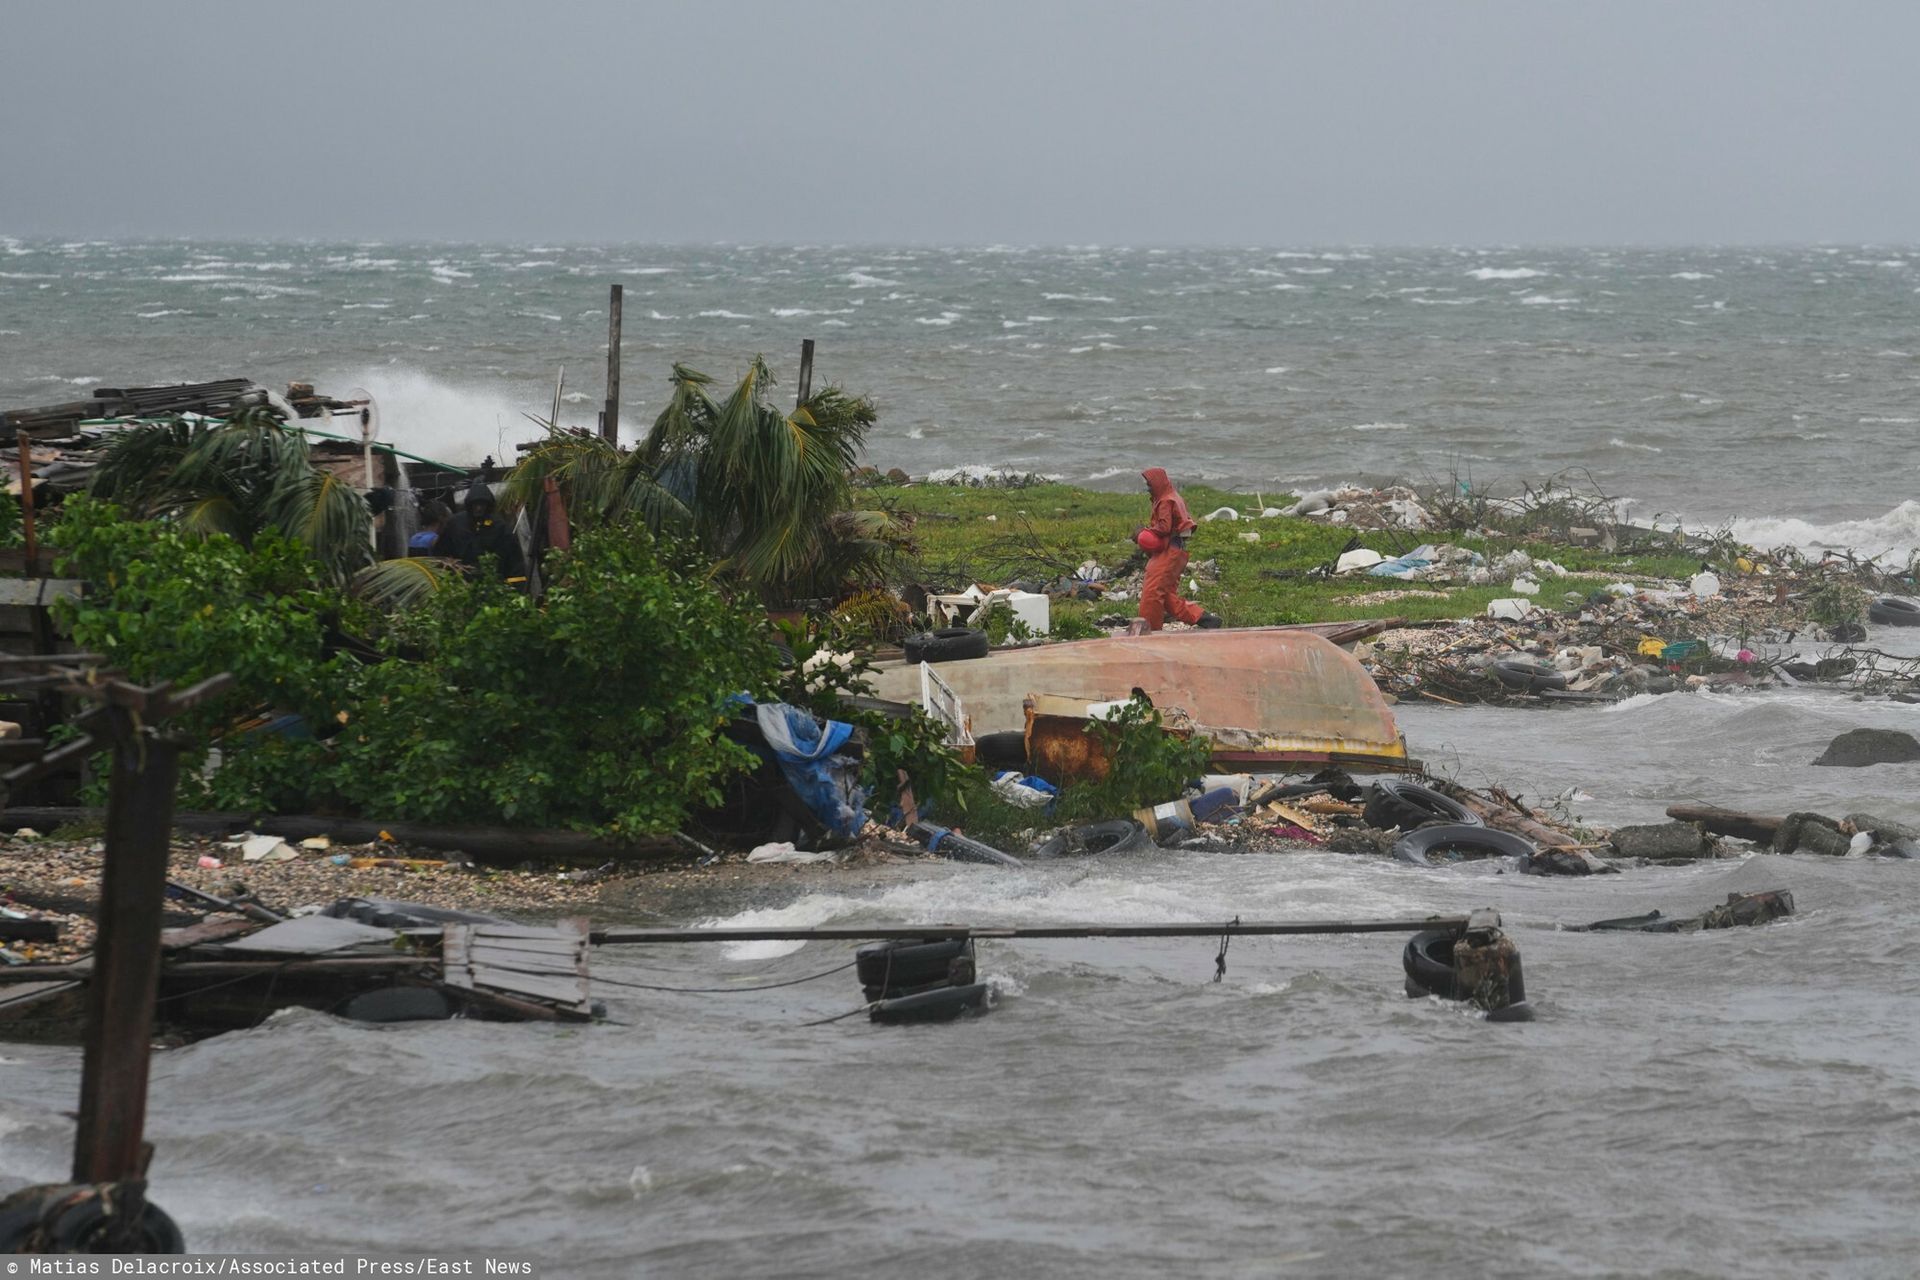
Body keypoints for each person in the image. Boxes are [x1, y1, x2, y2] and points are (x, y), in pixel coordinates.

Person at [1133, 467, 1222, 631]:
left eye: (1150, 484)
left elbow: (1164, 528)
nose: (1148, 488)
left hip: (1168, 552)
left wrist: (1143, 532)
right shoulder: (1173, 496)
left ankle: (1149, 629)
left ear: (1157, 483)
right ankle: (1205, 619)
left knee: (1152, 591)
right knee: (1166, 596)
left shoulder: (1166, 500)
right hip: (1178, 550)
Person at [435, 480, 526, 582]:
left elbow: (513, 559)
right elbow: (441, 552)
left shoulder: (499, 527)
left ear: (488, 505)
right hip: (462, 581)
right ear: (470, 505)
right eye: (475, 504)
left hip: (492, 582)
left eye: (482, 504)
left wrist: (515, 584)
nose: (479, 508)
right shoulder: (456, 524)